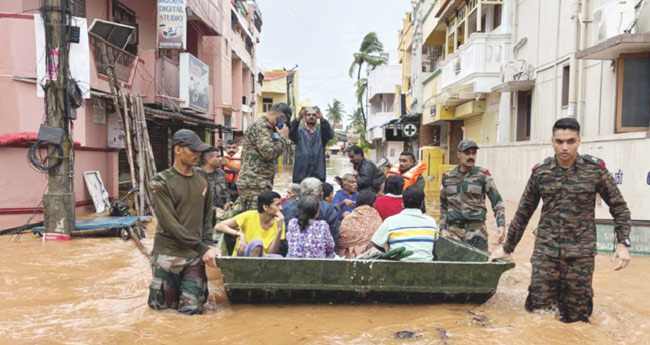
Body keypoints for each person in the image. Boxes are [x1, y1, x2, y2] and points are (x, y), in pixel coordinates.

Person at [489, 118, 632, 323]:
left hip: (580, 255)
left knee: (576, 318)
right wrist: (508, 247)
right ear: (552, 141)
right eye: (559, 141)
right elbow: (524, 212)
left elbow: (619, 208)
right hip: (546, 253)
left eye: (570, 141)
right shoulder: (541, 172)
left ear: (579, 141)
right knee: (538, 315)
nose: (565, 147)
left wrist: (623, 243)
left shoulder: (595, 170)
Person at [148, 129, 219, 315]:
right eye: (193, 150)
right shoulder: (161, 181)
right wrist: (203, 247)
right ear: (178, 150)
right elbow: (170, 224)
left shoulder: (203, 177)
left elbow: (207, 217)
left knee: (193, 312)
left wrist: (208, 245)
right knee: (162, 314)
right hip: (167, 256)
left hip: (194, 257)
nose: (198, 155)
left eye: (199, 151)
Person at [439, 139, 506, 251]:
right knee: (454, 266)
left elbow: (497, 203)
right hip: (454, 232)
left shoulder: (483, 175)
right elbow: (443, 205)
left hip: (477, 232)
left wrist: (501, 225)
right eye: (467, 153)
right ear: (458, 154)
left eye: (473, 153)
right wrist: (442, 229)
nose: (471, 156)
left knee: (480, 266)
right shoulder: (447, 176)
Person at [237, 103, 290, 211]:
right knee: (254, 219)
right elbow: (269, 153)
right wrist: (283, 139)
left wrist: (278, 136)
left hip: (259, 182)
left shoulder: (269, 129)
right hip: (254, 183)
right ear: (282, 117)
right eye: (284, 121)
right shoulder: (261, 127)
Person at [370, 186, 439, 262]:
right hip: (427, 270)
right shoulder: (431, 221)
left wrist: (385, 254)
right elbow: (434, 245)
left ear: (403, 203)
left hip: (397, 270)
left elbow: (373, 244)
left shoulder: (391, 221)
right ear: (422, 203)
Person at [214, 191, 285, 257]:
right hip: (244, 255)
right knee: (256, 242)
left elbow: (271, 253)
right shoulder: (249, 216)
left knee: (278, 257)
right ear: (265, 207)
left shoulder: (279, 222)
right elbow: (219, 226)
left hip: (264, 260)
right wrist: (240, 235)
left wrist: (279, 230)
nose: (281, 208)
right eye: (277, 205)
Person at [282, 177, 341, 246]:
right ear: (319, 193)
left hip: (289, 251)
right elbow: (333, 237)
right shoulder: (329, 209)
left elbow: (282, 237)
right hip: (320, 253)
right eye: (322, 191)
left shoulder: (285, 206)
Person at [289, 106, 333, 182]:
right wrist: (298, 118)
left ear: (317, 117)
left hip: (318, 175)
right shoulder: (299, 132)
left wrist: (322, 119)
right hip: (301, 175)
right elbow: (291, 132)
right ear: (305, 117)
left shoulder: (322, 133)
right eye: (308, 115)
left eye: (314, 115)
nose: (311, 117)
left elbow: (329, 134)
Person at [338, 190, 383, 258]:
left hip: (347, 256)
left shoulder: (348, 217)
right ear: (373, 203)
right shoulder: (376, 217)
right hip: (369, 256)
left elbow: (341, 240)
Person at [202, 146, 229, 214]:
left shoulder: (221, 173)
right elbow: (198, 200)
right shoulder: (200, 175)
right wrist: (214, 209)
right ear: (209, 159)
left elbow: (226, 192)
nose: (220, 159)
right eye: (217, 156)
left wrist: (227, 203)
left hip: (222, 213)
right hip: (205, 214)